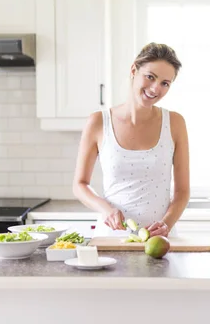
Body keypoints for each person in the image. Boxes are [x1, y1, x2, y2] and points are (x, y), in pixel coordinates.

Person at [72, 42, 190, 238]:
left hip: (160, 240)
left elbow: (182, 192)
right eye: (150, 77)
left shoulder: (175, 123)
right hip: (112, 238)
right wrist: (106, 209)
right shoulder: (99, 122)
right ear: (134, 69)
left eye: (165, 83)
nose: (155, 88)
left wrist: (166, 225)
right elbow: (80, 184)